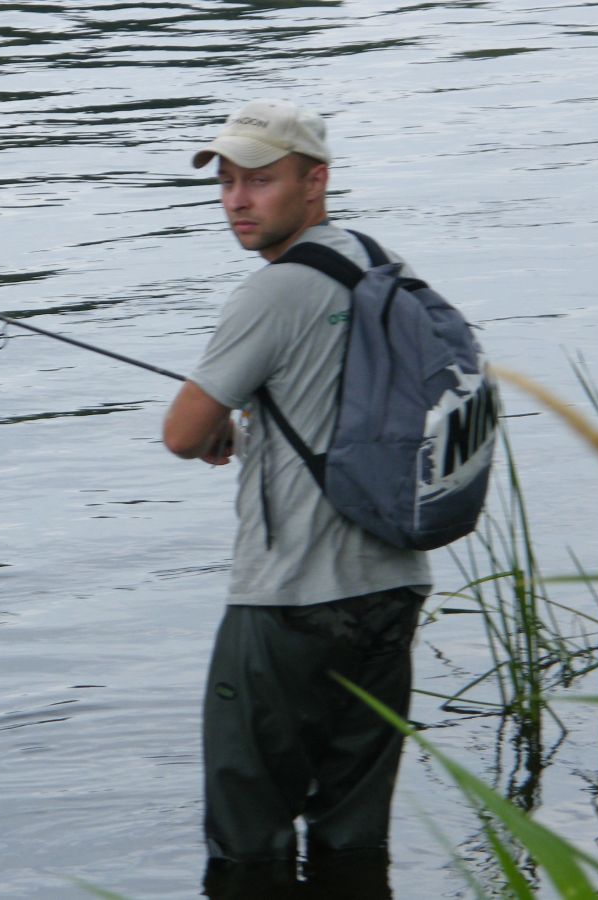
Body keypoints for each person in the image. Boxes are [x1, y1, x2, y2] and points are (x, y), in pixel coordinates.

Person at [162, 99, 433, 897]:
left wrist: (217, 422)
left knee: (247, 848)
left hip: (288, 604)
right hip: (392, 590)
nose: (237, 201)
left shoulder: (274, 292)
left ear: (315, 182)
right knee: (354, 840)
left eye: (260, 181)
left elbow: (181, 434)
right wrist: (249, 420)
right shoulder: (384, 265)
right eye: (227, 183)